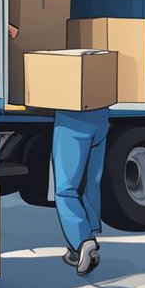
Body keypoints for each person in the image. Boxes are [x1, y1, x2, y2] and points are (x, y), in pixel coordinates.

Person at [52, 108, 109, 276]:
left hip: (72, 120)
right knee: (90, 183)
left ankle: (83, 241)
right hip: (100, 119)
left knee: (65, 190)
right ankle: (80, 248)